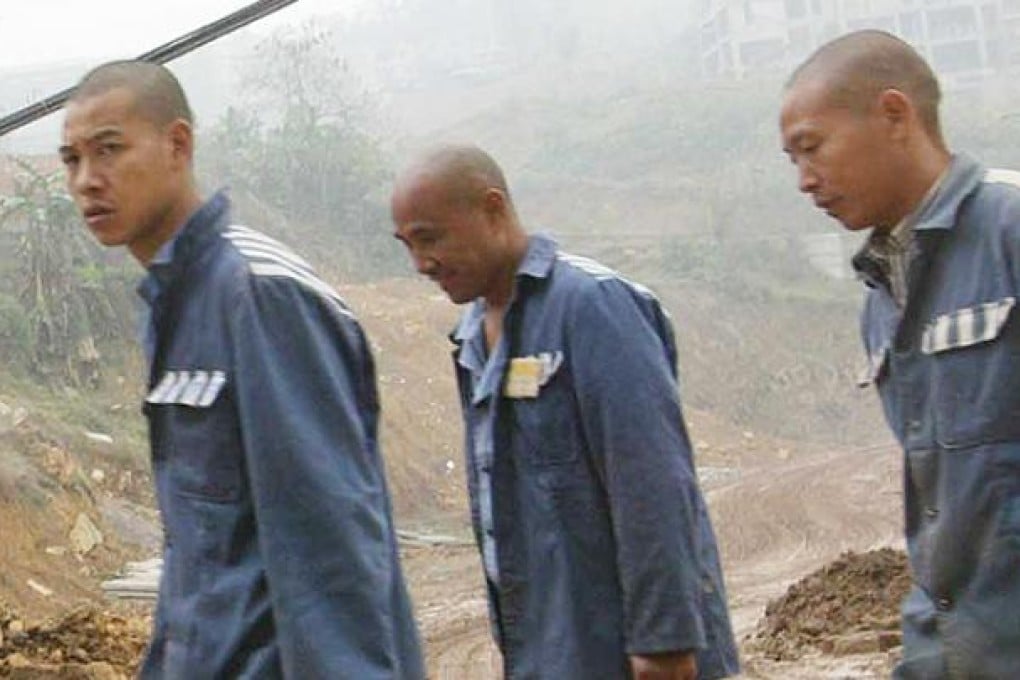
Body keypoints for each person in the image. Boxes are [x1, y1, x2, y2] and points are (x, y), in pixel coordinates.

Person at [59, 60, 424, 679]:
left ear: (178, 145)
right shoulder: (175, 303)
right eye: (72, 160)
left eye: (109, 150)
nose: (88, 180)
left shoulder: (259, 295)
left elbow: (329, 545)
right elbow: (201, 554)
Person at [390, 144, 739, 680]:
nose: (420, 264)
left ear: (493, 208)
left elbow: (651, 483)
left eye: (430, 237)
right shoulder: (470, 340)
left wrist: (664, 640)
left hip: (633, 654)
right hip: (548, 651)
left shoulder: (594, 307)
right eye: (407, 245)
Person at [781, 30, 1020, 677]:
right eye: (791, 160)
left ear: (894, 116)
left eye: (812, 147)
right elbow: (939, 516)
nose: (804, 180)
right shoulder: (883, 298)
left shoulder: (1009, 229)